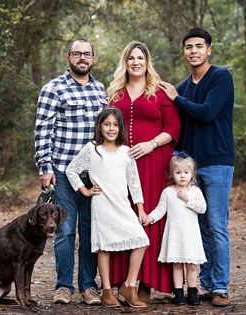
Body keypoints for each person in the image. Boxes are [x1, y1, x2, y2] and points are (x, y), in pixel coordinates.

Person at [159, 28, 235, 307]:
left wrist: (176, 98)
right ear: (184, 52)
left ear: (208, 50)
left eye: (199, 46)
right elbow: (176, 123)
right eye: (189, 47)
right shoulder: (182, 86)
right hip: (189, 167)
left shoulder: (220, 77)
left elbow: (207, 112)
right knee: (198, 225)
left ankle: (220, 287)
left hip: (216, 162)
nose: (193, 51)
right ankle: (204, 284)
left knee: (216, 224)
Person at [34, 39, 107, 305]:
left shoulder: (100, 90)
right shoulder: (53, 88)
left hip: (94, 174)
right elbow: (43, 128)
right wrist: (45, 167)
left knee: (90, 232)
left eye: (87, 54)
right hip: (63, 172)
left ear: (93, 59)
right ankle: (64, 286)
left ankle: (88, 286)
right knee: (65, 230)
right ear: (69, 58)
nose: (82, 58)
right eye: (77, 54)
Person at [107, 41, 181, 299]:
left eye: (140, 58)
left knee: (148, 217)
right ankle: (121, 281)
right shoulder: (114, 93)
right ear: (125, 62)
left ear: (147, 62)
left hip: (154, 162)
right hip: (122, 164)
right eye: (131, 58)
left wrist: (150, 144)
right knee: (121, 216)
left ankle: (145, 282)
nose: (136, 62)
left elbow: (173, 129)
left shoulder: (159, 92)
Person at [65, 107, 149, 308]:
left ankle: (129, 286)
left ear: (120, 128)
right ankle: (107, 290)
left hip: (122, 205)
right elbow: (71, 170)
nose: (111, 128)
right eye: (107, 124)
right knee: (104, 248)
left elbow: (134, 183)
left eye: (115, 125)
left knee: (142, 241)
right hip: (102, 205)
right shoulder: (92, 149)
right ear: (100, 127)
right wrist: (84, 190)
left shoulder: (125, 152)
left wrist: (140, 209)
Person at [144, 151, 207, 305]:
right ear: (172, 174)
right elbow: (160, 210)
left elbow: (202, 208)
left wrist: (188, 199)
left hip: (190, 235)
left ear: (192, 174)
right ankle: (179, 293)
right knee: (177, 265)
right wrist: (149, 217)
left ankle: (192, 293)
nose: (182, 176)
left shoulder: (195, 191)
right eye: (178, 173)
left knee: (192, 266)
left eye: (186, 172)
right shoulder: (168, 192)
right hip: (174, 235)